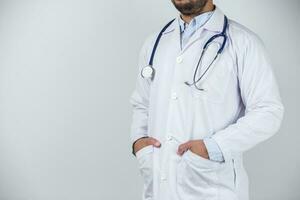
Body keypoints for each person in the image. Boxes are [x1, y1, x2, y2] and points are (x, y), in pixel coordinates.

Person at [129, 0, 284, 200]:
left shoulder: (243, 42)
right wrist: (139, 143)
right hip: (159, 186)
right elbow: (142, 103)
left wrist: (214, 147)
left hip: (214, 186)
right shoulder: (154, 43)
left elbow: (268, 111)